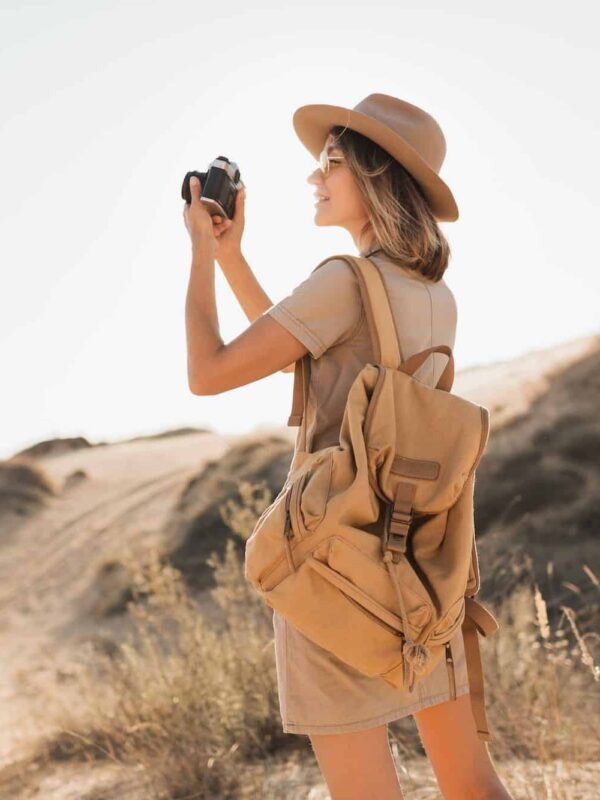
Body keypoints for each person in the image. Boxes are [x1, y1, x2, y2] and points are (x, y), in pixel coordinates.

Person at [182, 93, 513, 800]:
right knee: (472, 783)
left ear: (375, 175)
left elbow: (209, 373)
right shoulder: (434, 293)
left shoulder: (342, 281)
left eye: (330, 163)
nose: (314, 179)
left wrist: (201, 255)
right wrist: (235, 255)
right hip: (426, 564)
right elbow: (293, 347)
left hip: (333, 562)